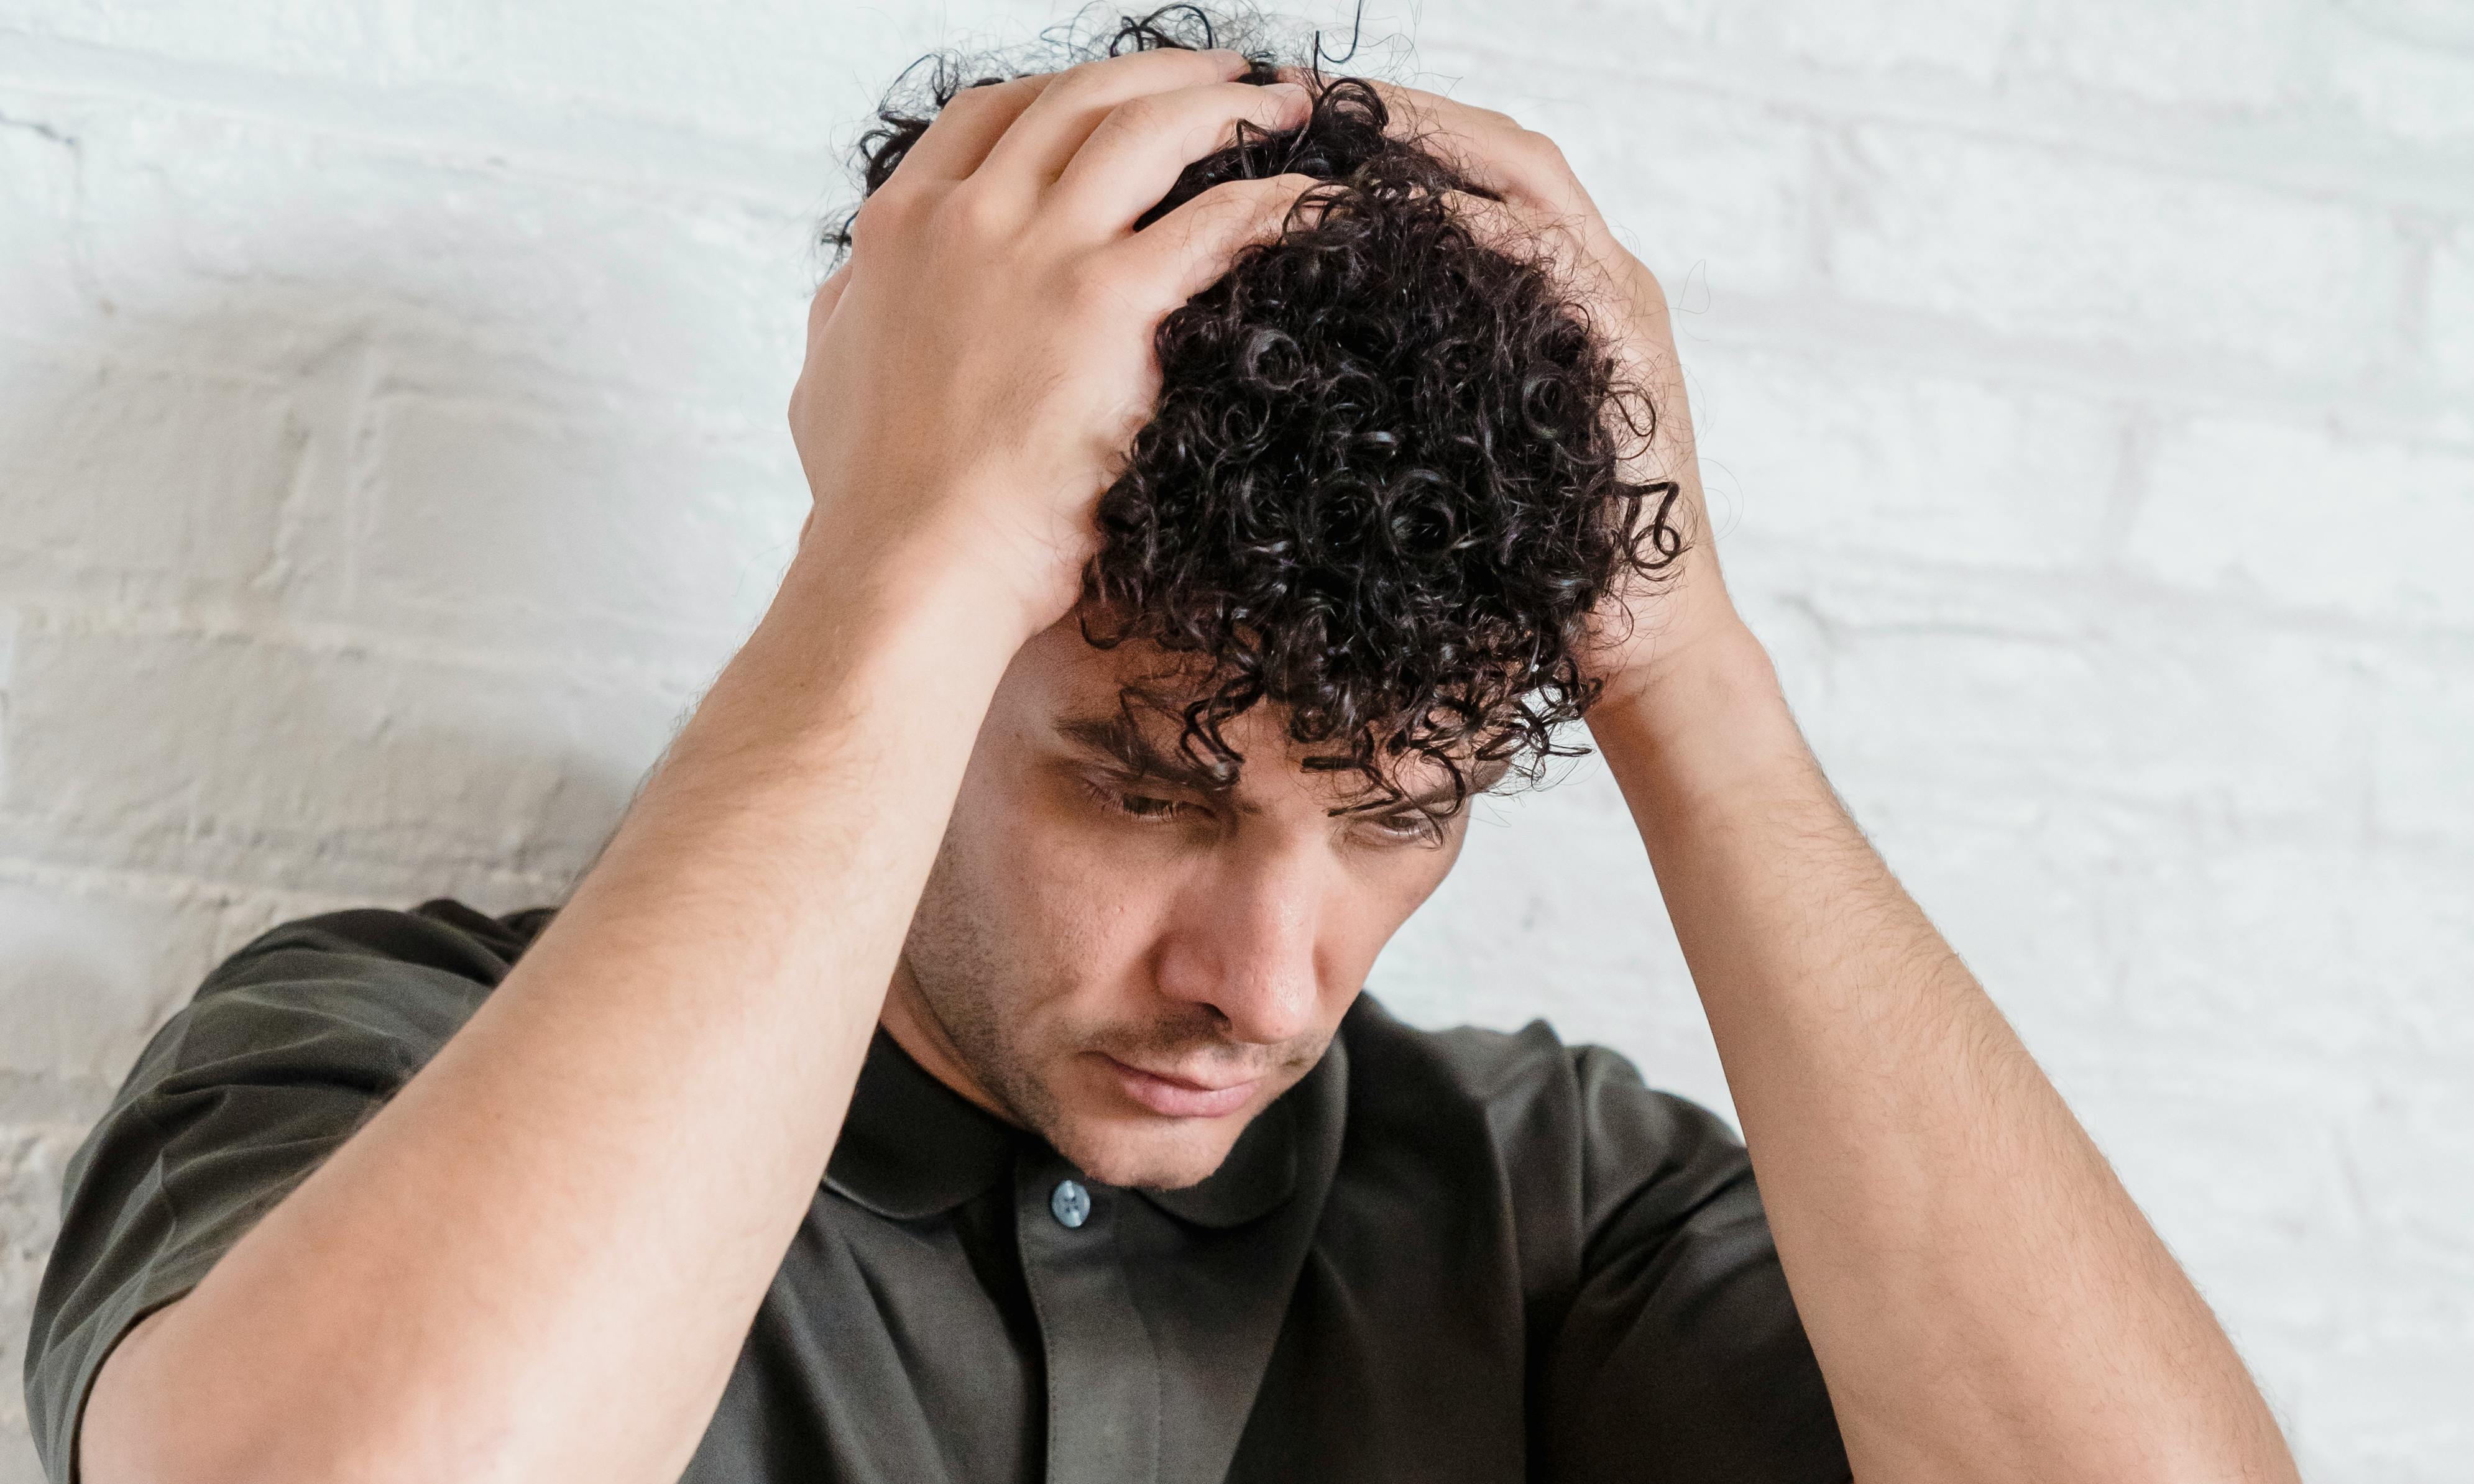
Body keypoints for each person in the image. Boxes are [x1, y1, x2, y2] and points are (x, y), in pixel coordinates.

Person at [25, 12, 2300, 1484]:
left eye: (1397, 815)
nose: (1275, 979)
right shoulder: (383, 1068)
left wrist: (1681, 653)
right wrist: (897, 560)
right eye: (1143, 786)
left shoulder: (1546, 1202)